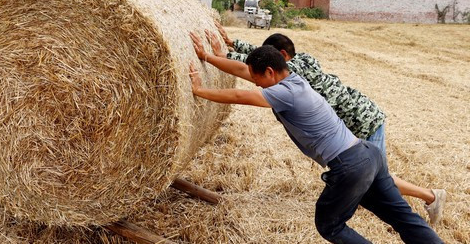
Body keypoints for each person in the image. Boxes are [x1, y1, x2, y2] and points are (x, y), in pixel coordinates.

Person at [187, 38, 443, 243]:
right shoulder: (294, 79)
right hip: (368, 155)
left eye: (257, 79)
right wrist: (208, 57)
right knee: (402, 217)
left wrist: (200, 90)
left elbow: (239, 96)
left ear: (269, 72)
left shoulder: (284, 93)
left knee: (329, 225)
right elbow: (243, 69)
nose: (255, 83)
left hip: (350, 164)